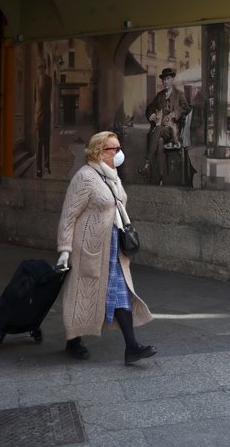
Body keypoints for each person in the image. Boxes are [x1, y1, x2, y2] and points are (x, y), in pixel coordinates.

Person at [56, 131, 157, 364]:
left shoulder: (112, 175)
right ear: (99, 151)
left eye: (119, 147)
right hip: (90, 246)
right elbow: (69, 215)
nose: (119, 153)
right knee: (83, 293)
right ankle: (73, 341)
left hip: (114, 246)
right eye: (115, 149)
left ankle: (132, 347)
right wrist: (65, 249)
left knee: (120, 291)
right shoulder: (85, 177)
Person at [139, 67, 190, 184]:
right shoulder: (160, 95)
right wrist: (151, 114)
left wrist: (174, 114)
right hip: (162, 130)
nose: (165, 82)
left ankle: (147, 163)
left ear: (172, 80)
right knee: (160, 141)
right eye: (164, 80)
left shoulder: (179, 94)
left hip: (173, 130)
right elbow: (150, 107)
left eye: (168, 79)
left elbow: (186, 108)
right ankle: (161, 176)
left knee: (157, 130)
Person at [35, 47, 53, 178]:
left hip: (46, 114)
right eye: (39, 67)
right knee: (38, 143)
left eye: (42, 66)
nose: (41, 69)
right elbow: (34, 98)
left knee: (47, 142)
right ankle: (39, 168)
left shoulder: (49, 79)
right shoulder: (36, 81)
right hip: (38, 115)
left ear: (45, 67)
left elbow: (48, 96)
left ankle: (47, 165)